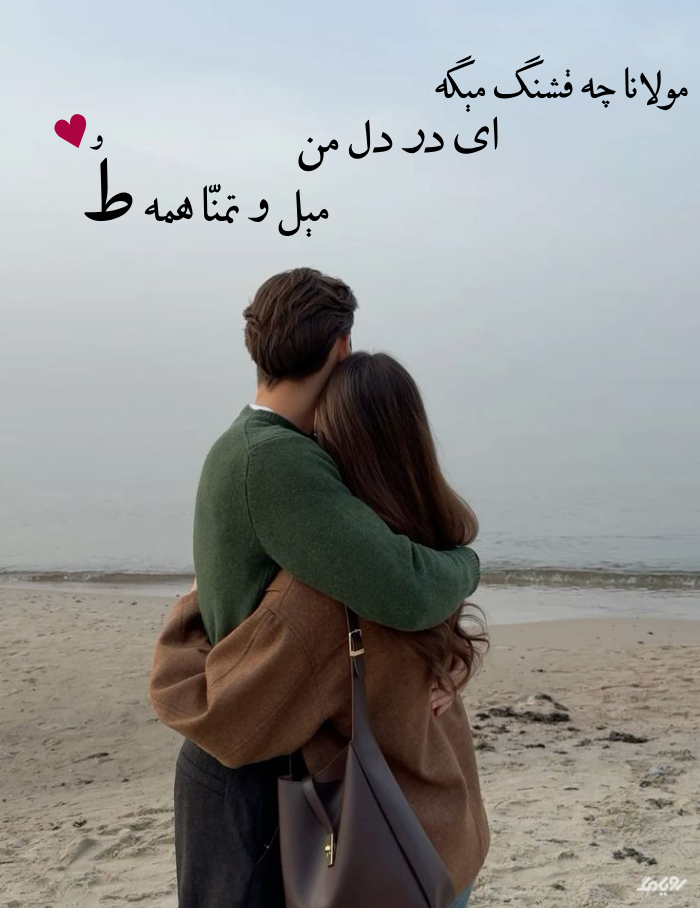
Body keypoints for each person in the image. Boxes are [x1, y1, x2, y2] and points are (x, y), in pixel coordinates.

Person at [161, 267, 482, 908]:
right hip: (264, 760)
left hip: (265, 735)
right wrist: (467, 564)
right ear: (341, 347)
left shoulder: (246, 445)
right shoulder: (278, 460)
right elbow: (407, 590)